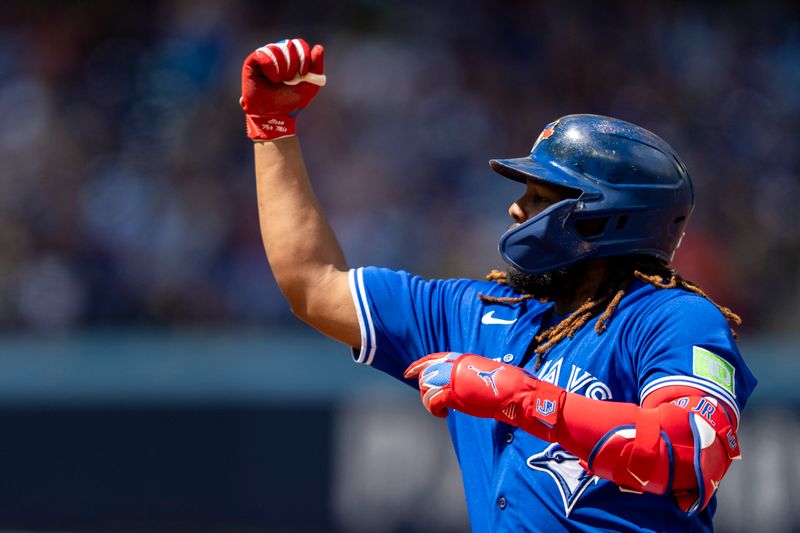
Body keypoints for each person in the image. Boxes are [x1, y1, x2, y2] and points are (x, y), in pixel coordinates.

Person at [241, 38, 757, 532]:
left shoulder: (672, 318)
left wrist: (519, 398)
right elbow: (313, 285)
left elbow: (692, 449)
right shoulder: (480, 312)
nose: (516, 209)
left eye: (538, 196)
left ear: (603, 219)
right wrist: (272, 129)